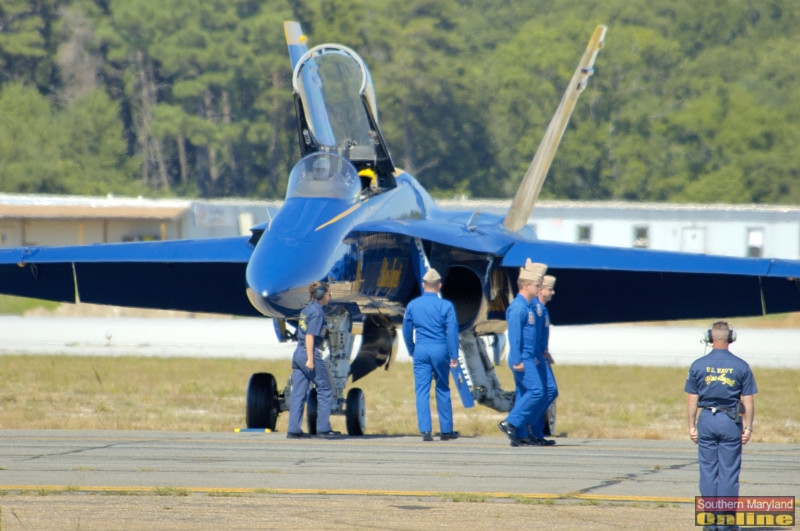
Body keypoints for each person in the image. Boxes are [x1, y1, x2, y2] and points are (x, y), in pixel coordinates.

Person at [685, 321, 757, 531]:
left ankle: (709, 523)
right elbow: (749, 399)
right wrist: (749, 427)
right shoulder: (741, 366)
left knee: (708, 471)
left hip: (706, 418)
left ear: (710, 337)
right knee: (728, 472)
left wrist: (691, 426)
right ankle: (725, 523)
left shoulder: (698, 365)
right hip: (730, 421)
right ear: (731, 338)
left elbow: (692, 399)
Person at [402, 268, 460, 442]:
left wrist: (412, 349)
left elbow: (406, 330)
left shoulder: (412, 305)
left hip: (421, 349)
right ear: (439, 285)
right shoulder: (446, 306)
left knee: (421, 390)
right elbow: (451, 333)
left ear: (423, 284)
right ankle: (446, 430)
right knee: (442, 387)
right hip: (440, 349)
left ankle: (426, 431)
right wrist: (454, 356)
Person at [498, 259, 549, 447]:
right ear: (527, 285)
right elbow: (515, 336)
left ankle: (519, 434)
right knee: (537, 391)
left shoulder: (527, 306)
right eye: (537, 285)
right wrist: (518, 359)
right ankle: (510, 423)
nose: (539, 288)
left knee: (524, 393)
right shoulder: (518, 307)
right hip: (521, 356)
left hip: (529, 356)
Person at [287, 281, 341, 439]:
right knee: (325, 389)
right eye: (328, 294)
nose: (330, 296)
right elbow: (310, 336)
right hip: (308, 353)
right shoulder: (318, 312)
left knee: (298, 393)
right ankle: (323, 428)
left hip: (298, 353)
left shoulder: (306, 309)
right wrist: (311, 359)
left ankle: (294, 429)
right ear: (321, 295)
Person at [527, 274, 558, 445]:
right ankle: (528, 428)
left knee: (547, 392)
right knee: (545, 392)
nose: (553, 292)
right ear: (540, 289)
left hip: (541, 355)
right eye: (549, 289)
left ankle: (536, 432)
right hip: (535, 357)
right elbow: (529, 336)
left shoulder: (541, 309)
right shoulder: (535, 308)